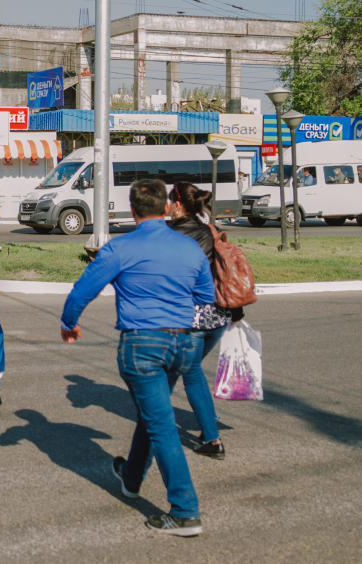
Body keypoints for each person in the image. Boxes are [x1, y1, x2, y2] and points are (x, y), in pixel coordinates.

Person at [60, 178, 215, 537]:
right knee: (154, 412)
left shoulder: (120, 248)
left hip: (142, 346)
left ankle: (185, 511)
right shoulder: (190, 247)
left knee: (161, 425)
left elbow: (82, 290)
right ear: (165, 208)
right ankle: (130, 477)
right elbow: (206, 295)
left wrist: (70, 324)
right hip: (183, 345)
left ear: (131, 211)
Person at [168, 181, 246, 460]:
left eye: (169, 202)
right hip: (219, 317)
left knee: (190, 373)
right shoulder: (210, 230)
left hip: (193, 319)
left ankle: (212, 439)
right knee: (188, 369)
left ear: (177, 205)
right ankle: (206, 421)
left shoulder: (170, 234)